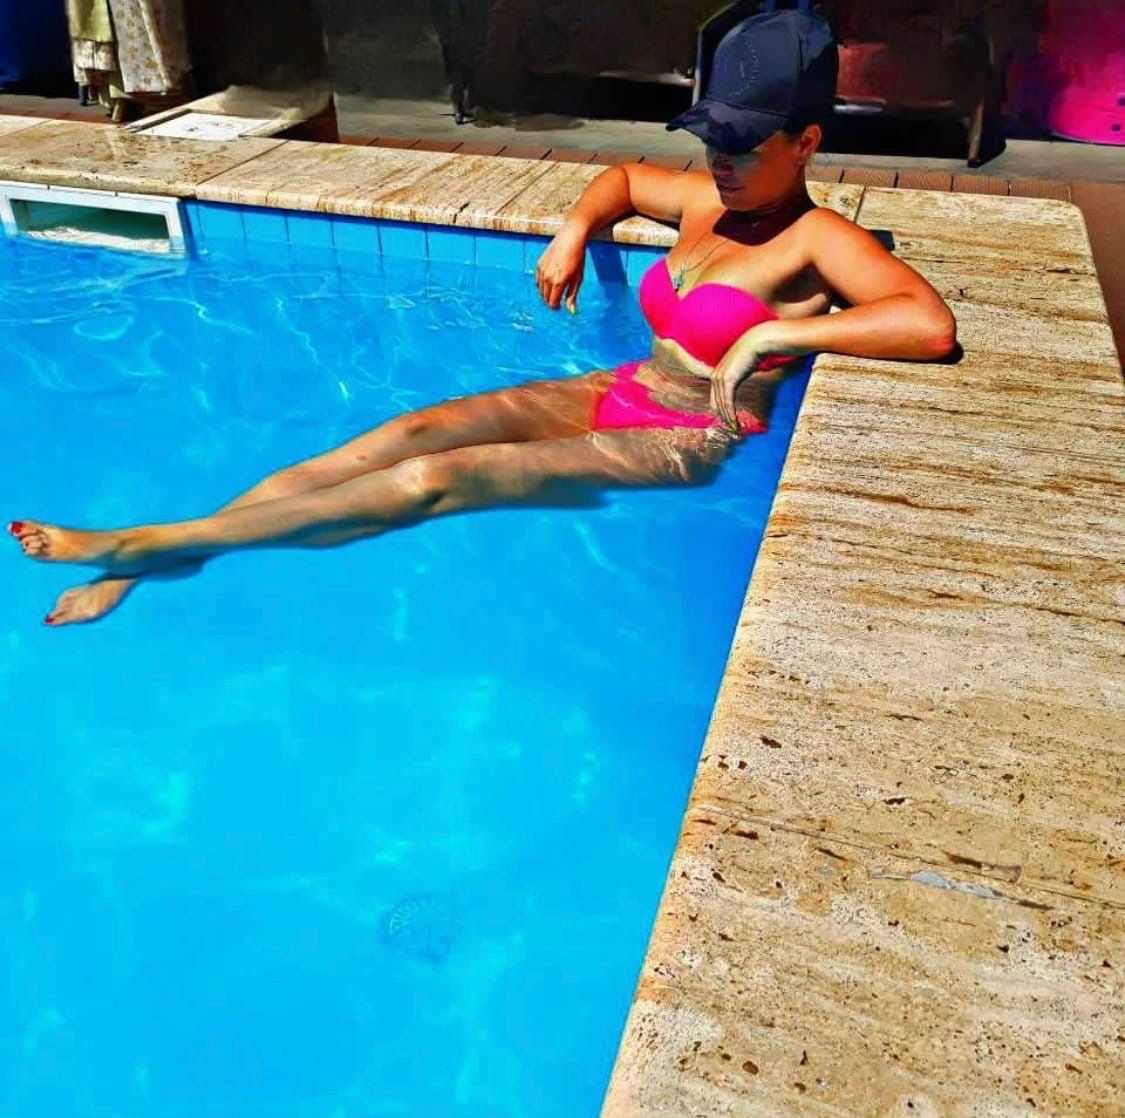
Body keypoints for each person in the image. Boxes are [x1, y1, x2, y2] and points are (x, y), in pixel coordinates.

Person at [9, 2, 955, 626]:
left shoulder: (818, 240)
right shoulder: (709, 200)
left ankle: (144, 546)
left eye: (745, 146)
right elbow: (624, 178)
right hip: (618, 388)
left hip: (687, 435)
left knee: (434, 478)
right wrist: (573, 232)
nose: (721, 162)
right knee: (406, 434)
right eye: (713, 140)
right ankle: (159, 556)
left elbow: (925, 324)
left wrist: (778, 332)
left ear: (807, 142)